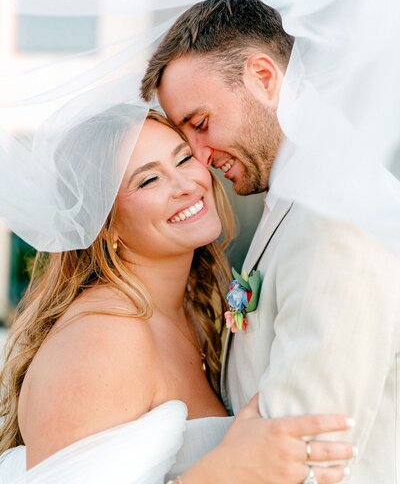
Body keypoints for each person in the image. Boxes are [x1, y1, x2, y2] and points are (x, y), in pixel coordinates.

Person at [0, 109, 353, 484]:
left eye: (184, 158)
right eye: (148, 180)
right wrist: (224, 472)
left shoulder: (187, 310)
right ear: (102, 225)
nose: (185, 184)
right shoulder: (102, 338)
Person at [141, 0, 400, 483]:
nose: (198, 157)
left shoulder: (337, 217)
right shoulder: (297, 199)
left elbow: (304, 459)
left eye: (200, 124)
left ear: (263, 77)